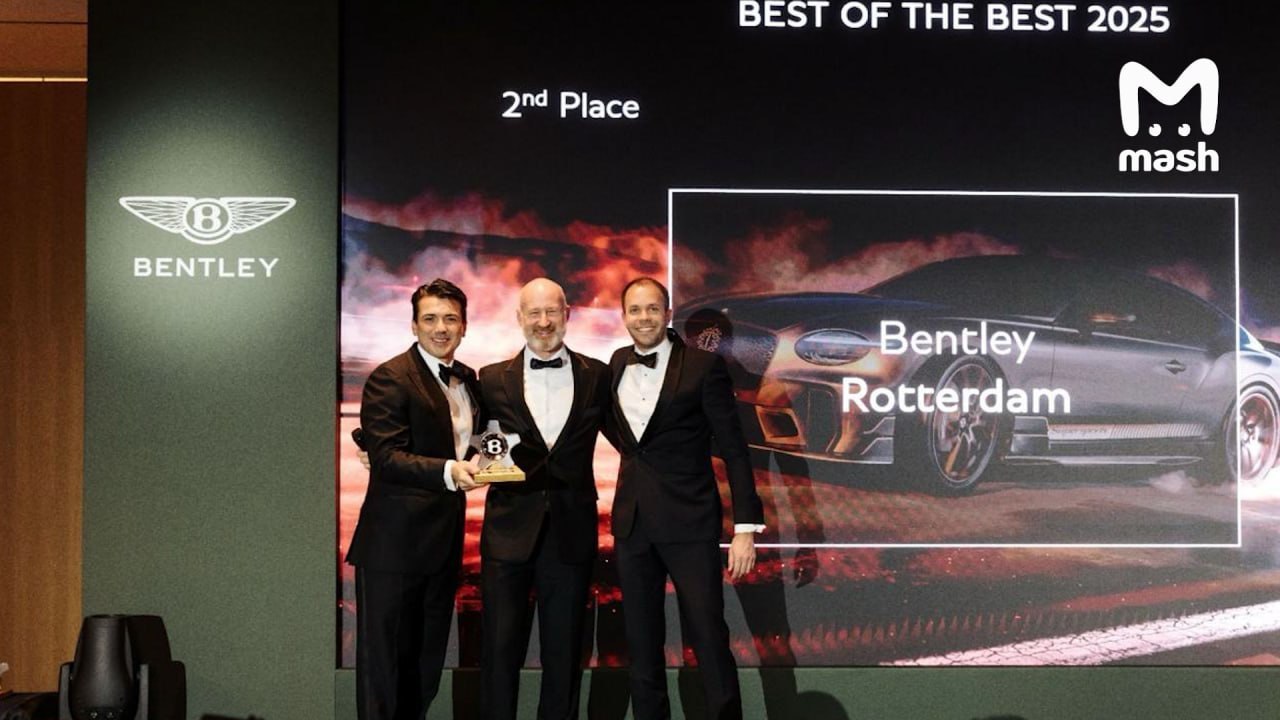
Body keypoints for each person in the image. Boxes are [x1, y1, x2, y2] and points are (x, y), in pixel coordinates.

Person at [605, 277, 765, 720]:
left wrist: (745, 528)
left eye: (651, 308)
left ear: (668, 312)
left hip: (690, 523)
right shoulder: (616, 362)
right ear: (624, 316)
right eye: (635, 310)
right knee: (641, 645)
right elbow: (626, 439)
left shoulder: (703, 365)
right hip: (633, 524)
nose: (643, 318)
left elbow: (734, 448)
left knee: (708, 637)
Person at [346, 278, 483, 720]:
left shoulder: (469, 379)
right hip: (393, 547)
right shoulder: (389, 377)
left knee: (425, 668)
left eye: (450, 319)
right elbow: (387, 457)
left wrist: (482, 460)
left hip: (443, 545)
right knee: (385, 670)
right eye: (430, 319)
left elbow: (477, 441)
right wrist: (449, 471)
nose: (441, 328)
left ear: (464, 326)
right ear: (414, 325)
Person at [476, 278, 611, 720]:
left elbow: (633, 435)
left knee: (565, 654)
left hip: (571, 534)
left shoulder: (597, 375)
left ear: (567, 315)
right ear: (519, 318)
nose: (543, 322)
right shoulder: (489, 379)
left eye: (552, 311)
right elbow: (459, 436)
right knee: (498, 655)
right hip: (507, 534)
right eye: (534, 313)